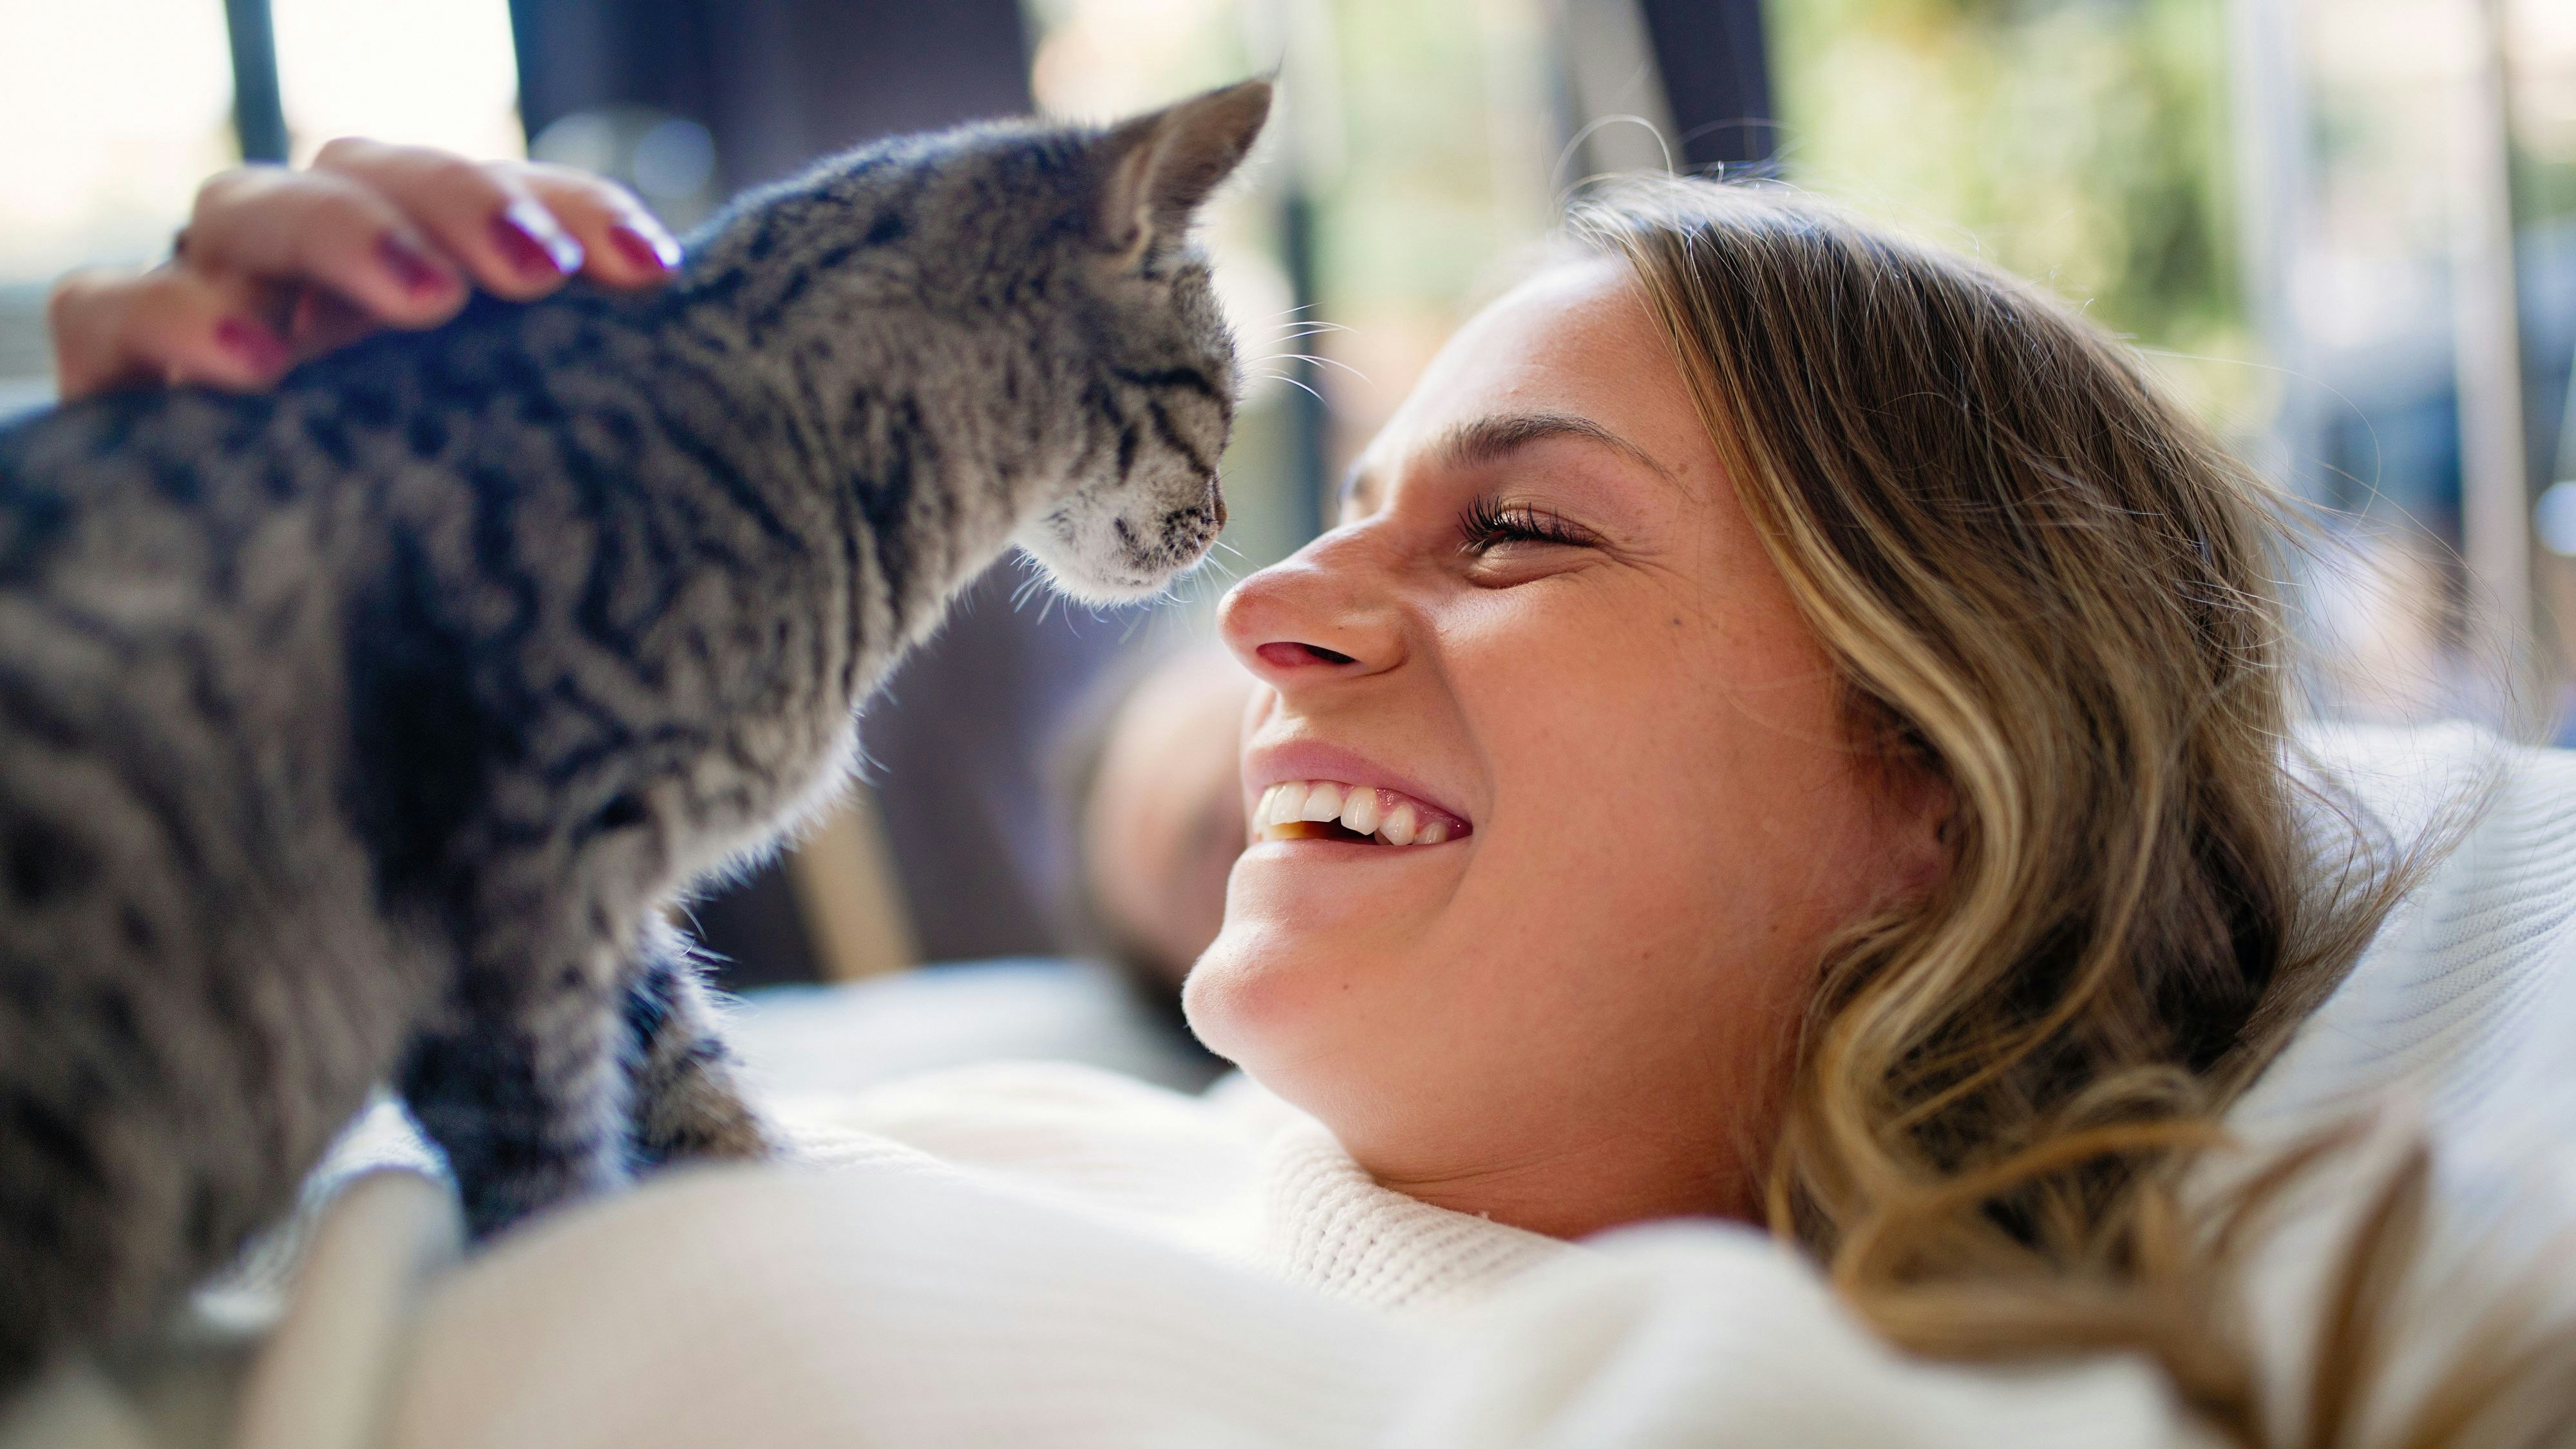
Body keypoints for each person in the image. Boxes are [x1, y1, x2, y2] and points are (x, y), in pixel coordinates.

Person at [42, 142, 2576, 1447]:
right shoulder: (1018, 1148)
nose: (1263, 613)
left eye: (1520, 526)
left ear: (1938, 772)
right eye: (1331, 521)